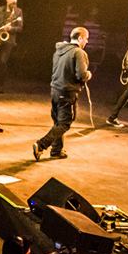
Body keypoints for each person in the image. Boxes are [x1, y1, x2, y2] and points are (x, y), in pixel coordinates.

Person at [33, 26, 92, 161]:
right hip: (67, 92)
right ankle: (41, 145)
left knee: (58, 122)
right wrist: (88, 74)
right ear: (80, 38)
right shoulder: (79, 53)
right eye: (86, 39)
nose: (87, 42)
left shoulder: (58, 51)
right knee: (65, 123)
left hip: (55, 90)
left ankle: (56, 150)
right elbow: (81, 74)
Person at [0, 0, 23, 92]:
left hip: (9, 41)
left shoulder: (18, 12)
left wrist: (11, 28)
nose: (15, 1)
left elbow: (20, 28)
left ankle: (1, 85)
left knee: (3, 62)